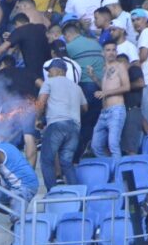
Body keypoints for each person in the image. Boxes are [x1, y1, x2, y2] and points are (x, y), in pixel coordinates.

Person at [36, 59, 86, 189]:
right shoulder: (76, 86)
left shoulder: (49, 82)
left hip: (57, 124)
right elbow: (85, 107)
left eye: (50, 70)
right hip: (74, 127)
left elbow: (41, 103)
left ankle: (53, 194)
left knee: (46, 161)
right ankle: (78, 196)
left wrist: (37, 119)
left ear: (58, 70)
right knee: (66, 162)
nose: (48, 74)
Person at [63, 21, 104, 152]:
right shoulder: (95, 43)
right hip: (101, 86)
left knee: (82, 121)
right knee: (94, 121)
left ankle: (80, 152)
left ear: (68, 35)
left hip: (85, 85)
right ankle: (92, 148)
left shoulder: (70, 46)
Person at [89, 41, 129, 160]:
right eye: (108, 50)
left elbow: (127, 87)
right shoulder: (105, 68)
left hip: (116, 109)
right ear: (103, 53)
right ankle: (109, 170)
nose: (111, 53)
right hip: (104, 112)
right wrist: (93, 77)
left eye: (113, 50)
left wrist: (105, 93)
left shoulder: (120, 66)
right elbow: (105, 87)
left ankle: (117, 175)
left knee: (113, 144)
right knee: (95, 146)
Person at [0, 13, 51, 80]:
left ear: (17, 23)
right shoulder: (41, 27)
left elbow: (1, 49)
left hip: (34, 72)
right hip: (49, 67)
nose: (15, 28)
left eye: (15, 26)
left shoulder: (19, 31)